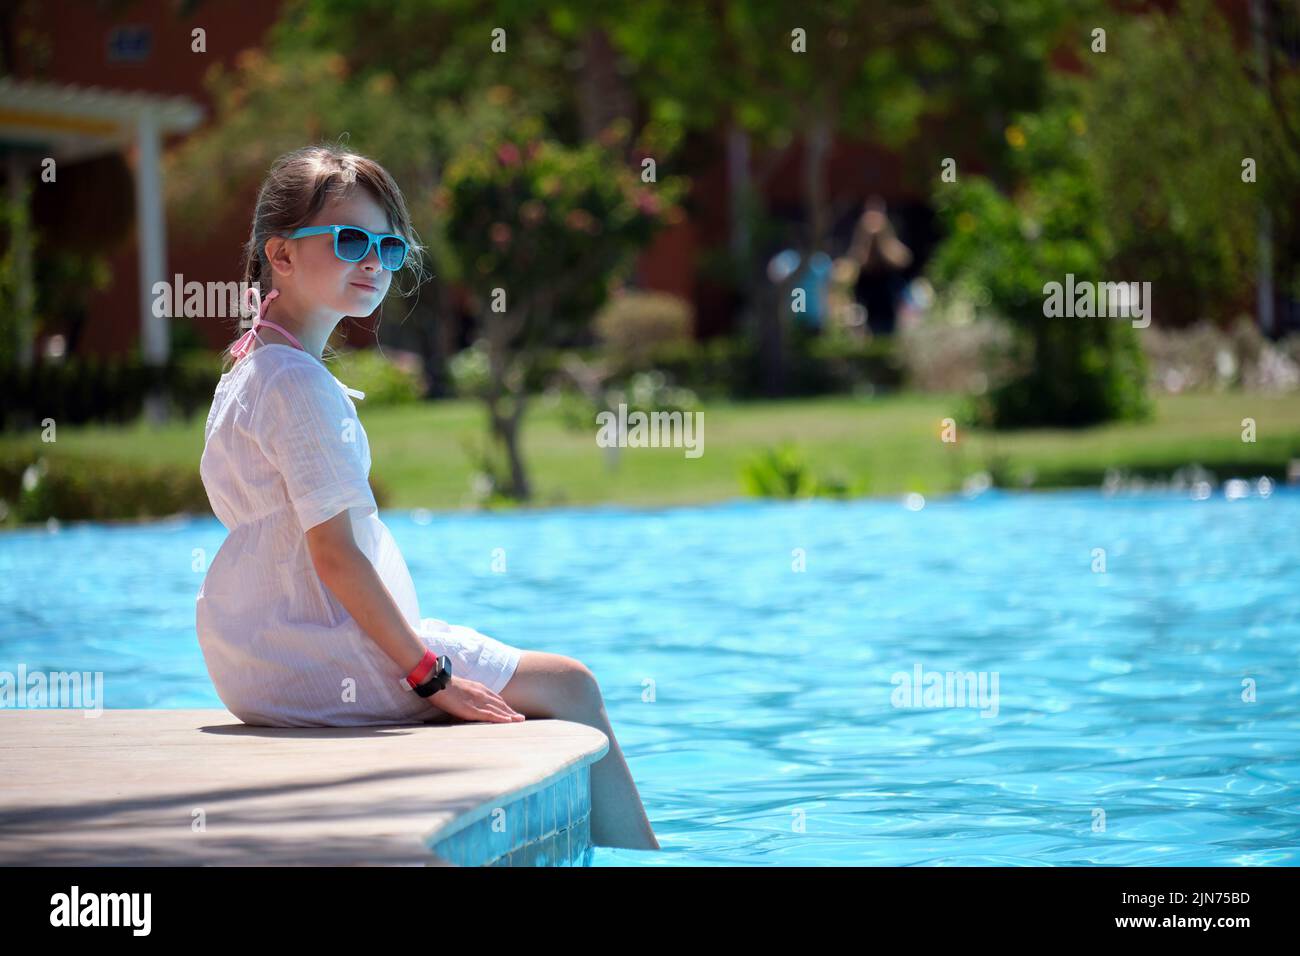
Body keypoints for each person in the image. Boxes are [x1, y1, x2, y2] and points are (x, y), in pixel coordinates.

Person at [195, 144, 659, 851]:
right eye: (350, 240)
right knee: (571, 686)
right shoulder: (298, 385)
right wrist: (431, 678)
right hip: (313, 659)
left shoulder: (248, 366)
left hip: (252, 660)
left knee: (521, 681)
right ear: (280, 255)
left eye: (389, 246)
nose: (374, 261)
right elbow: (335, 556)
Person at [848, 195, 913, 336]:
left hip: (888, 310)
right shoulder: (862, 259)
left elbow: (904, 259)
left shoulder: (891, 256)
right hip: (872, 312)